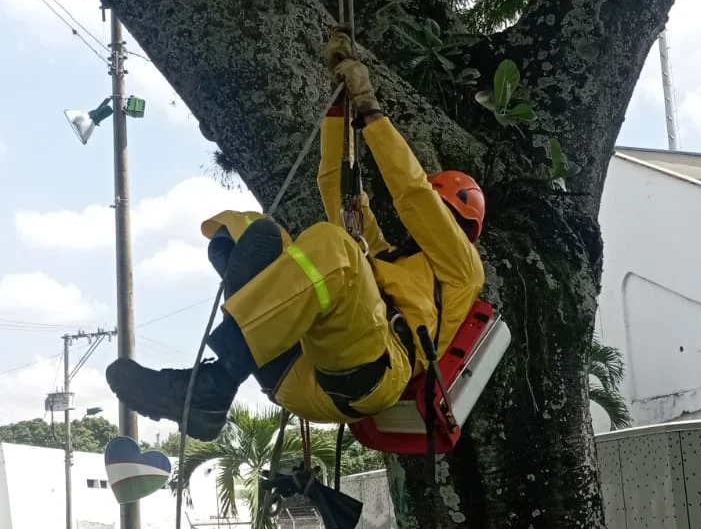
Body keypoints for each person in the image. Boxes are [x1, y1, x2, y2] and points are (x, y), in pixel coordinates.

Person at [106, 30, 485, 441]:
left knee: (333, 246)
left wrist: (371, 109)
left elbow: (412, 195)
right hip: (298, 371)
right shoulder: (385, 259)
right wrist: (339, 106)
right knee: (251, 229)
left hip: (373, 372)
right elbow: (334, 187)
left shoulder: (463, 269)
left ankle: (213, 384)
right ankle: (231, 364)